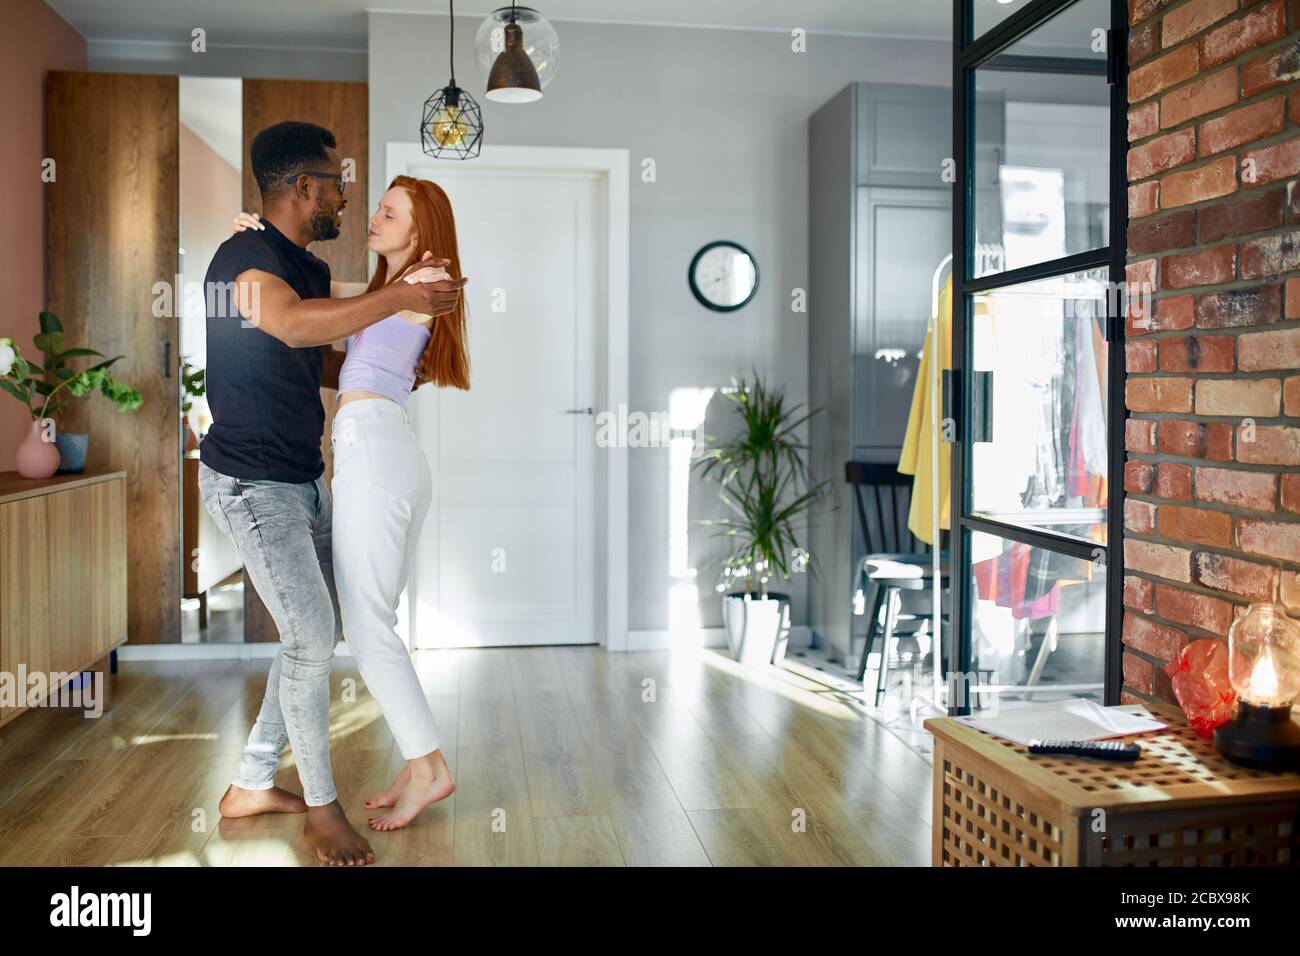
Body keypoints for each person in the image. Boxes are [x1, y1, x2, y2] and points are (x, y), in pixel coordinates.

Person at [198, 121, 467, 866]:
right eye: (338, 183)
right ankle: (321, 808)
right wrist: (396, 300)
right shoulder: (243, 259)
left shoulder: (308, 268)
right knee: (315, 636)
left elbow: (316, 355)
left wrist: (384, 351)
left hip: (306, 477)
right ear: (303, 187)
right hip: (251, 481)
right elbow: (284, 325)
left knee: (312, 633)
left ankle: (251, 784)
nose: (347, 197)